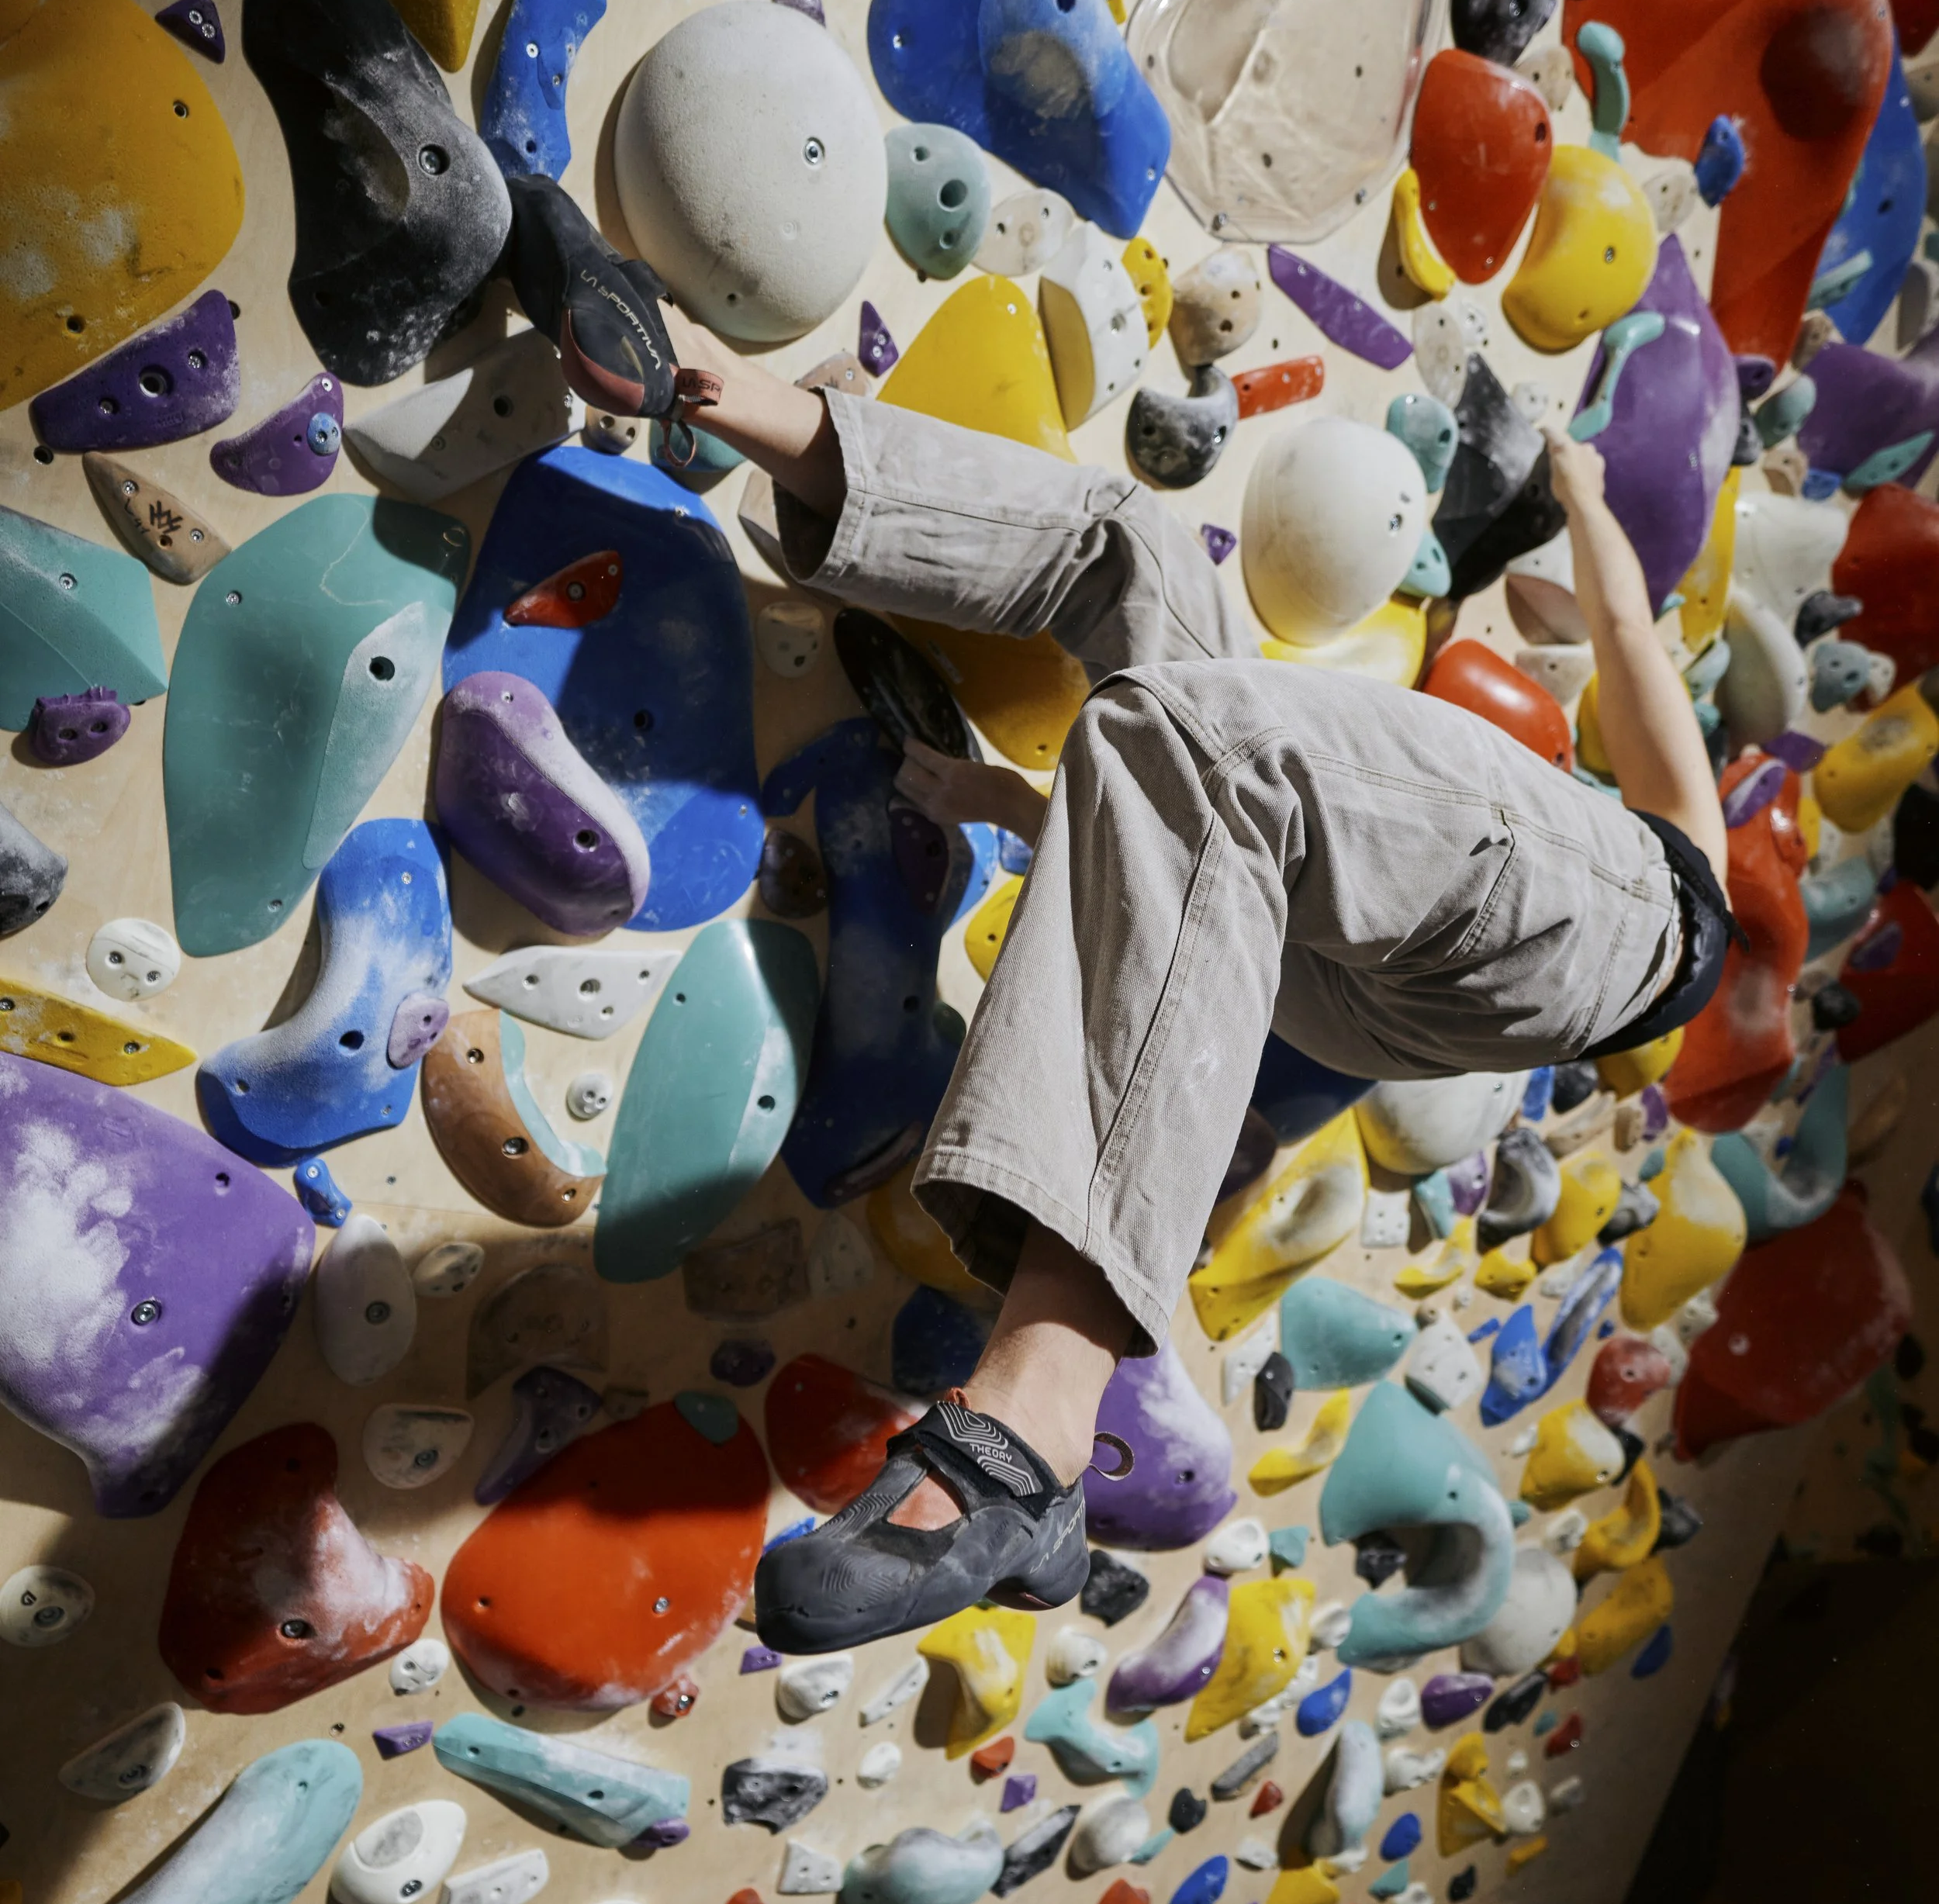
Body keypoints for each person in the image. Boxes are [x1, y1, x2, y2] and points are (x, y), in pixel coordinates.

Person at [658, 315, 1732, 1653]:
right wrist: (1023, 800)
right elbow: (1205, 875)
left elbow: (1626, 619)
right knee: (1137, 548)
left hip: (1632, 926)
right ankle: (773, 419)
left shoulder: (1681, 859)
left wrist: (1578, 482)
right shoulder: (1478, 867)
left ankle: (1040, 1409)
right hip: (1357, 986)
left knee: (1210, 744)